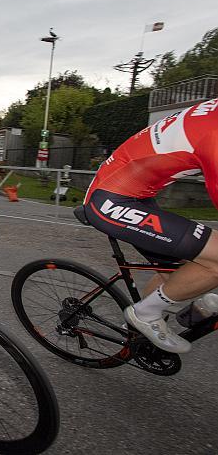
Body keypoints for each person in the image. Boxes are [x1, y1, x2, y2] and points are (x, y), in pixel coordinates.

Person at [83, 98, 218, 353]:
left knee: (177, 273)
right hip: (110, 199)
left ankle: (139, 340)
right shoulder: (215, 135)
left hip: (136, 194)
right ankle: (144, 314)